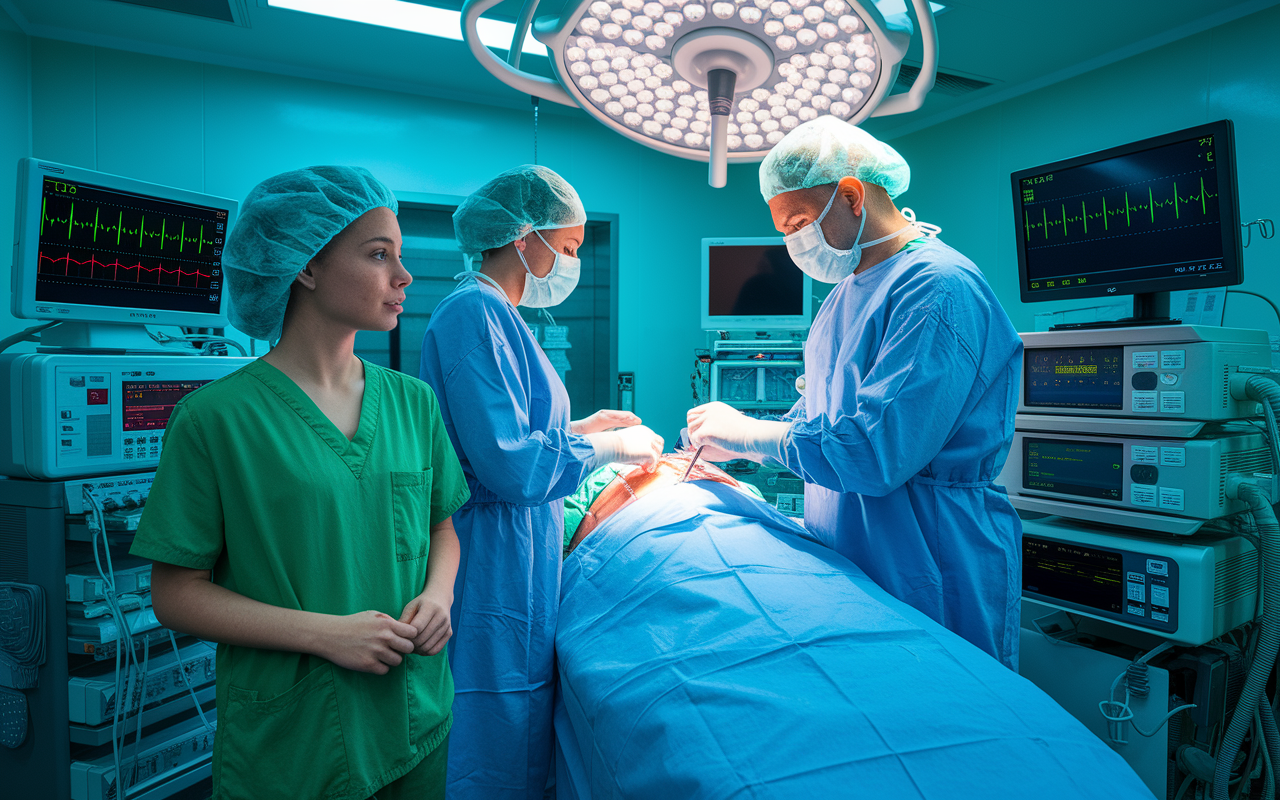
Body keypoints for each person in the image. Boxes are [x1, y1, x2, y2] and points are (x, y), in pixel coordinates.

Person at [131, 166, 470, 800]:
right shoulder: (216, 420)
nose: (404, 277)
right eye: (378, 255)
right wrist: (326, 634)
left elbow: (442, 527)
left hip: (414, 720)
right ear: (305, 268)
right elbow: (175, 594)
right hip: (296, 743)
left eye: (400, 257)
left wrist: (440, 595)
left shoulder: (413, 403)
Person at [687, 117, 1024, 669]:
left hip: (931, 557)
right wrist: (744, 444)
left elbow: (871, 452)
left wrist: (753, 432)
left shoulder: (938, 289)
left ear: (850, 195)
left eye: (797, 222)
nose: (791, 243)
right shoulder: (844, 295)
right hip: (857, 548)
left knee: (942, 719)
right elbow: (826, 408)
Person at [419, 164, 663, 799]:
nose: (572, 263)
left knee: (518, 707)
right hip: (492, 555)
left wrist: (585, 427)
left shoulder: (500, 314)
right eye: (571, 247)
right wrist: (608, 447)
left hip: (522, 551)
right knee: (490, 714)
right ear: (524, 237)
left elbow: (507, 429)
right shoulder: (472, 313)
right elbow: (512, 465)